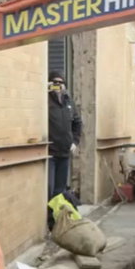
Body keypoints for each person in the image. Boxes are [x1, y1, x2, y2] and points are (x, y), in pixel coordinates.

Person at [47, 70, 83, 223]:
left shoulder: (69, 102)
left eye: (60, 83)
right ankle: (48, 220)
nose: (58, 85)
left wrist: (74, 142)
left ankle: (56, 222)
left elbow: (77, 123)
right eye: (54, 82)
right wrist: (45, 90)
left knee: (59, 190)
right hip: (50, 154)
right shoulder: (45, 101)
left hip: (64, 154)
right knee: (48, 189)